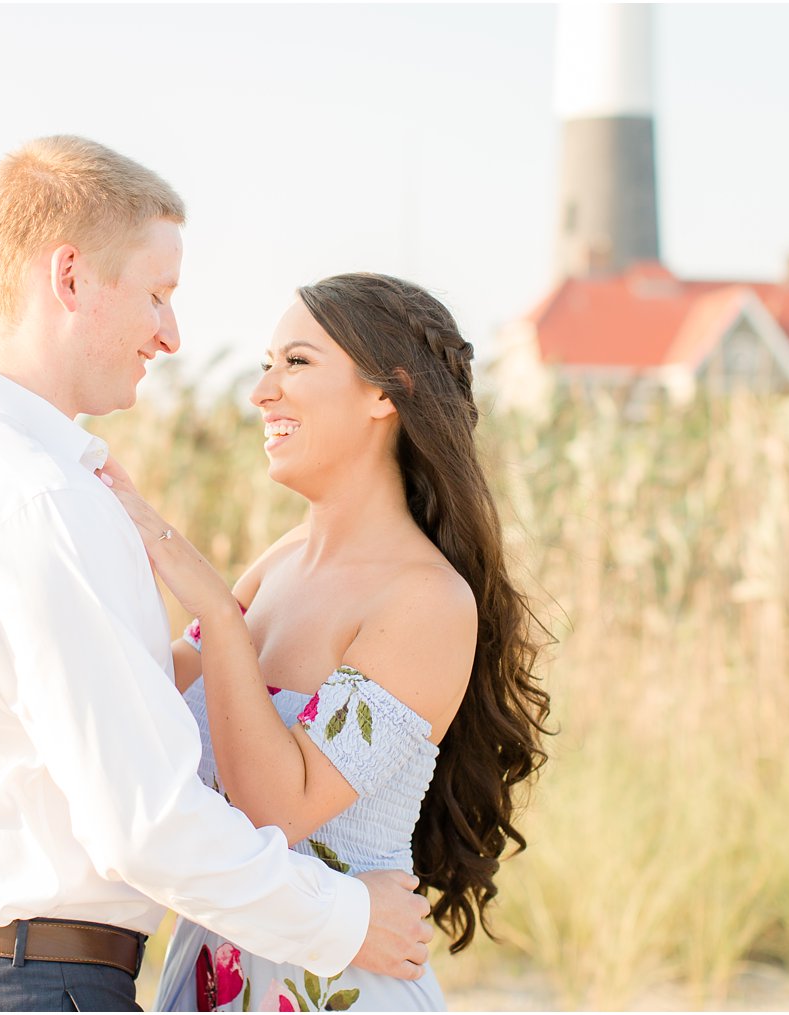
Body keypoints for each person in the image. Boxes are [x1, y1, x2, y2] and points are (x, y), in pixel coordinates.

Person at [0, 139, 433, 1013]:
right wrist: (347, 919)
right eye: (157, 294)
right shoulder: (39, 497)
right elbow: (145, 823)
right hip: (22, 984)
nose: (171, 334)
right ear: (70, 277)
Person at [99, 272, 551, 1011]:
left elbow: (280, 807)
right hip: (211, 976)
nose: (262, 393)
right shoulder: (276, 565)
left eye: (297, 363)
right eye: (265, 364)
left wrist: (212, 602)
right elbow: (140, 705)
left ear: (385, 393)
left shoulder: (426, 600)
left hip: (334, 989)